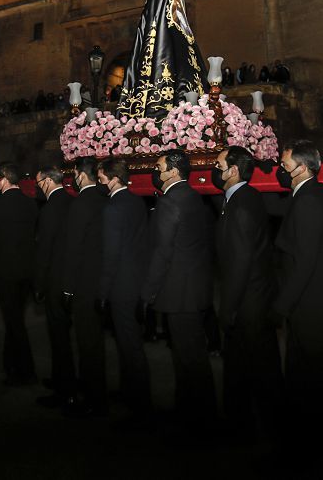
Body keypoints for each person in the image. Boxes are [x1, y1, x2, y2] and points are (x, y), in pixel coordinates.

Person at [271, 139, 323, 470]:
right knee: (307, 380)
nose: (281, 171)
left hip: (312, 305)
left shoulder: (310, 201)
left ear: (302, 167)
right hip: (308, 302)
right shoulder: (305, 197)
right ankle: (311, 446)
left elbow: (306, 261)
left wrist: (282, 306)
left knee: (317, 382)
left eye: (285, 165)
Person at [141, 150, 216, 428]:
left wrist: (147, 291)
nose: (155, 172)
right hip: (194, 287)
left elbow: (162, 252)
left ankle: (197, 420)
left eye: (159, 167)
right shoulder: (194, 197)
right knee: (192, 357)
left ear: (173, 172)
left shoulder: (170, 202)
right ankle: (192, 412)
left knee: (189, 360)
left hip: (179, 292)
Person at [212, 147, 282, 439]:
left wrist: (226, 310)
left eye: (219, 165)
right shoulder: (242, 199)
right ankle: (240, 423)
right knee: (242, 369)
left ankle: (272, 432)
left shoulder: (240, 205)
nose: (214, 170)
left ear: (233, 171)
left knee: (262, 374)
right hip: (253, 300)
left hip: (248, 304)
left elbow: (239, 263)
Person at [97, 157, 153, 424]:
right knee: (127, 341)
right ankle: (130, 391)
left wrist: (103, 292)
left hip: (121, 284)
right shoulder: (136, 201)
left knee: (129, 344)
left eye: (101, 177)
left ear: (113, 177)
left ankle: (140, 403)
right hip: (136, 279)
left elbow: (111, 254)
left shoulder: (113, 208)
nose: (99, 181)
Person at [0, 162, 38, 385]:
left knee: (14, 323)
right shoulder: (30, 203)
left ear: (3, 178)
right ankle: (10, 365)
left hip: (6, 273)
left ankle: (25, 371)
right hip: (26, 271)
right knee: (16, 319)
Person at [62, 157, 109, 417]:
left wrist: (68, 287)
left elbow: (73, 248)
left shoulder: (81, 203)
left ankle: (93, 398)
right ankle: (96, 389)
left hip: (84, 282)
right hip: (102, 279)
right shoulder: (105, 199)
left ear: (80, 175)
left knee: (87, 342)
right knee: (96, 341)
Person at [32, 165, 75, 408]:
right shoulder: (71, 202)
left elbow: (44, 252)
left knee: (58, 337)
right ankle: (62, 378)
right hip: (69, 277)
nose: (38, 187)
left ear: (48, 181)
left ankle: (64, 388)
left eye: (39, 182)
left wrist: (38, 284)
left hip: (55, 280)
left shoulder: (50, 209)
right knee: (63, 334)